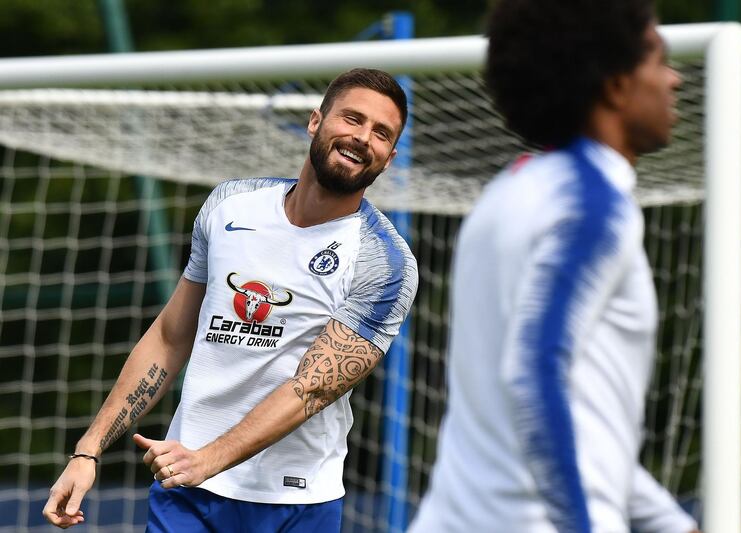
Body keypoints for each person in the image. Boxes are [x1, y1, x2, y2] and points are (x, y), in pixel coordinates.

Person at [42, 68, 418, 532]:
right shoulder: (230, 205)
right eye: (352, 119)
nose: (363, 138)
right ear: (316, 121)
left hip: (294, 501)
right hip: (186, 490)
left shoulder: (384, 261)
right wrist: (88, 450)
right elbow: (168, 337)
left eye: (381, 133)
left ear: (391, 156)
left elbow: (311, 390)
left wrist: (209, 459)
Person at [409, 1, 700, 532]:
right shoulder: (593, 206)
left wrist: (671, 524)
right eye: (658, 59)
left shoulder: (504, 194)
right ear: (614, 85)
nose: (674, 79)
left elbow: (582, 428)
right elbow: (532, 375)